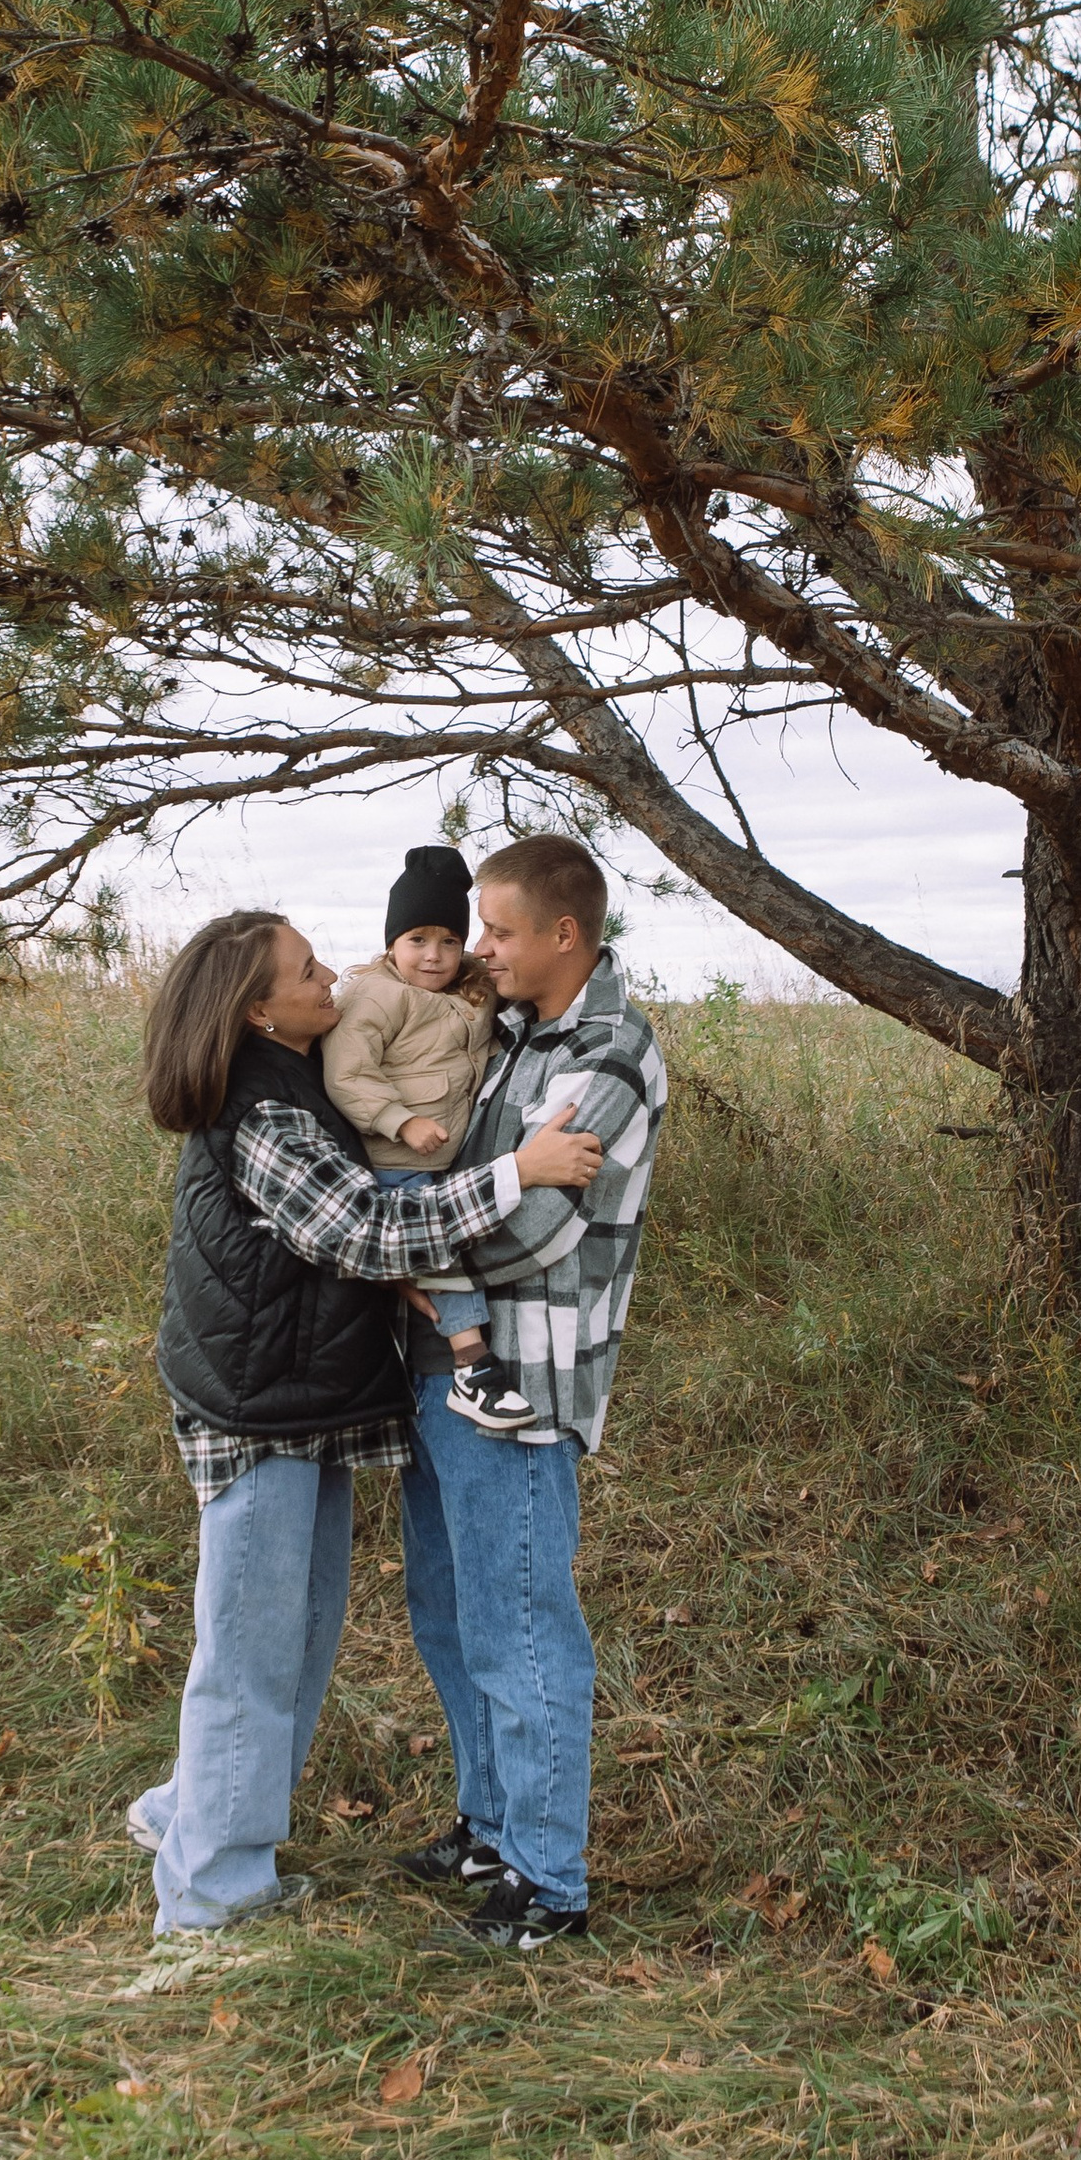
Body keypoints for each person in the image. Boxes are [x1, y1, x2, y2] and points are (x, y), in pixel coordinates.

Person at [127, 909, 604, 1935]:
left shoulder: (302, 1075)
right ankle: (207, 1895)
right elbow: (365, 1224)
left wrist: (409, 1291)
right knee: (252, 1652)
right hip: (260, 1410)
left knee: (289, 1640)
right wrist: (520, 1170)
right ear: (258, 1010)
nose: (330, 976)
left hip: (307, 1395)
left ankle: (187, 1814)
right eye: (305, 971)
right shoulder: (264, 1108)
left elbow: (334, 1233)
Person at [393, 835, 667, 1954]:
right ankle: (490, 1828)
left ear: (565, 933)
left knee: (519, 1627)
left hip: (523, 1380)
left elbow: (536, 1225)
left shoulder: (604, 1053)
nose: (479, 947)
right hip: (440, 1366)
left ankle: (549, 1886)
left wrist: (407, 1249)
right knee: (450, 1617)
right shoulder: (508, 1034)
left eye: (498, 930)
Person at [320, 844, 534, 1436]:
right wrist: (399, 1120)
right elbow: (347, 1074)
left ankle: (415, 1366)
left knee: (445, 1250)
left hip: (445, 1159)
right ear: (391, 942)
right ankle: (472, 1365)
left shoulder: (471, 990)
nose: (433, 956)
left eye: (447, 940)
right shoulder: (374, 996)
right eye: (417, 940)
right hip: (395, 1160)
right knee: (439, 1249)